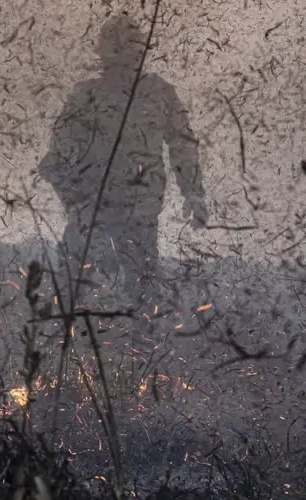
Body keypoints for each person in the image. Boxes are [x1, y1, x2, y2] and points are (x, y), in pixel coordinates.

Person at [38, 14, 207, 308]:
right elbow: (54, 164)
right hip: (97, 216)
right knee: (71, 300)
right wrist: (81, 212)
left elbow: (183, 145)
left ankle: (135, 343)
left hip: (133, 216)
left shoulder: (157, 93)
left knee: (143, 299)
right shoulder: (88, 95)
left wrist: (193, 192)